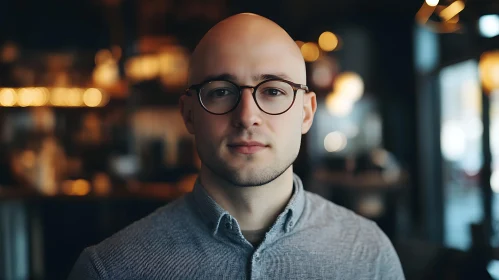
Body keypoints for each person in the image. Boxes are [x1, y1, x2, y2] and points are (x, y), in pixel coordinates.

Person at [68, 13, 405, 280]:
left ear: (306, 113)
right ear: (188, 114)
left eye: (273, 91)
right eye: (221, 91)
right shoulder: (110, 270)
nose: (247, 117)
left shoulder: (369, 255)